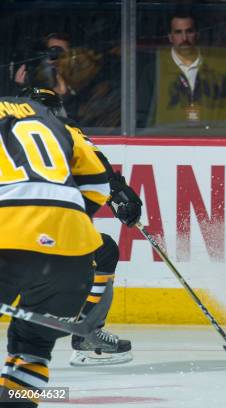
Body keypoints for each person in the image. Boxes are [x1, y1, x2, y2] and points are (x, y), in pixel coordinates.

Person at [17, 87, 141, 367]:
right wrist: (120, 195)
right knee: (104, 251)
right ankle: (87, 334)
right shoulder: (64, 129)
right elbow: (98, 168)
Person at [0, 90, 109, 406]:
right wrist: (55, 225)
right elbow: (99, 185)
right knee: (33, 347)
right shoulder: (54, 122)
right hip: (72, 252)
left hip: (7, 236)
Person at [138, 10, 226, 128]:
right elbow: (141, 116)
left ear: (197, 34)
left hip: (211, 141)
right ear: (170, 37)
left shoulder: (218, 69)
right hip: (168, 142)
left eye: (189, 31)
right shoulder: (154, 71)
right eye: (178, 32)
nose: (184, 38)